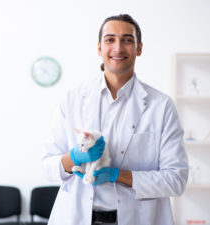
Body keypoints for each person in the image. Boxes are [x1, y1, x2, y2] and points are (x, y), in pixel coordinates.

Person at [42, 14, 189, 225]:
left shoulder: (161, 106)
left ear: (139, 48)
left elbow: (176, 180)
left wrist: (119, 175)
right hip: (75, 217)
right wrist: (73, 157)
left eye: (127, 40)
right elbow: (47, 166)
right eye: (110, 39)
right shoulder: (73, 99)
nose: (118, 48)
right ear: (99, 48)